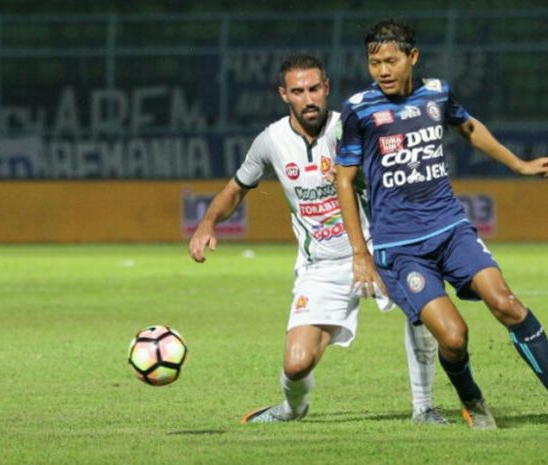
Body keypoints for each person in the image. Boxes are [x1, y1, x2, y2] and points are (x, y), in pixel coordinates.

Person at [335, 19, 548, 429]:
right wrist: (360, 253)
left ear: (413, 57)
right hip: (402, 249)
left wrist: (520, 164)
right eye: (374, 63)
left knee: (506, 303)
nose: (383, 71)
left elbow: (468, 127)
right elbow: (343, 178)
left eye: (391, 61)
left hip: (450, 229)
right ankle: (473, 400)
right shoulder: (359, 109)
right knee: (453, 337)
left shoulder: (437, 93)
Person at [189, 53, 446, 425]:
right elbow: (236, 189)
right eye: (298, 91)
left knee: (423, 308)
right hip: (320, 266)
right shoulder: (271, 141)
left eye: (314, 89)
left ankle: (424, 407)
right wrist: (207, 223)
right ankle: (292, 409)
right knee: (296, 364)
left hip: (374, 251)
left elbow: (397, 176)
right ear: (284, 94)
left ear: (326, 88)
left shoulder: (354, 127)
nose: (308, 99)